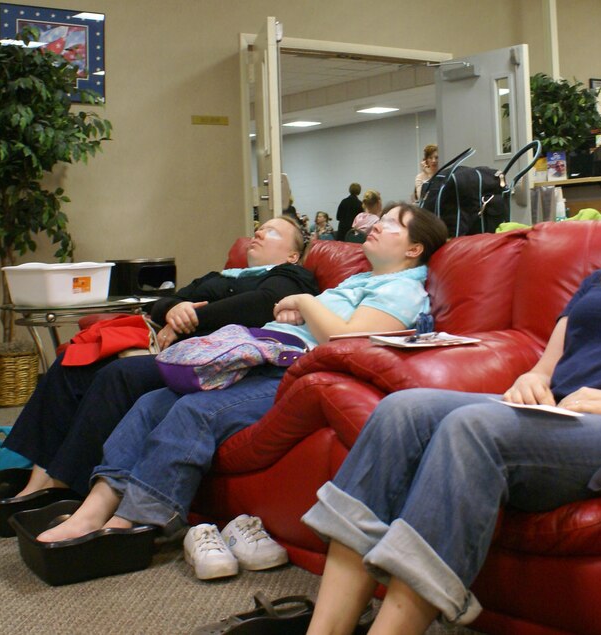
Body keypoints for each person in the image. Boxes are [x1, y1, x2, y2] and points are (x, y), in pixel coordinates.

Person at [299, 160, 601, 634]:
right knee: (402, 410)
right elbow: (547, 363)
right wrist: (530, 380)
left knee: (473, 426)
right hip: (558, 415)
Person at [35, 204, 449, 557]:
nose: (378, 223)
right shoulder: (362, 280)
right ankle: (93, 509)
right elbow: (320, 320)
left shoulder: (404, 289)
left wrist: (302, 302)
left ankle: (134, 523)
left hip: (293, 372)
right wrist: (295, 313)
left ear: (414, 248)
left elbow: (345, 338)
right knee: (151, 404)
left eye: (394, 223)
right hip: (259, 355)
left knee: (193, 412)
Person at [3, 217, 317, 498]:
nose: (260, 232)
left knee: (120, 375)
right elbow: (166, 300)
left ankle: (66, 484)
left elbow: (260, 305)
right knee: (73, 360)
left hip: (215, 363)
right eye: (260, 228)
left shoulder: (291, 275)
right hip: (175, 351)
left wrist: (189, 317)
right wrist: (172, 310)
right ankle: (37, 477)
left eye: (272, 231)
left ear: (292, 253)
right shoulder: (221, 275)